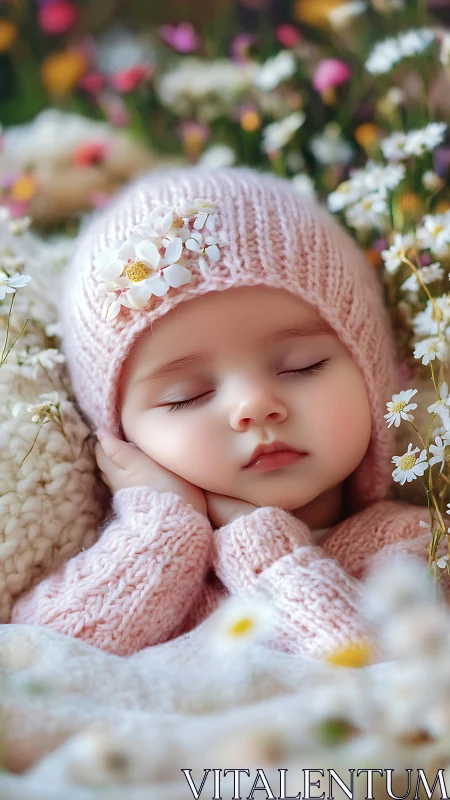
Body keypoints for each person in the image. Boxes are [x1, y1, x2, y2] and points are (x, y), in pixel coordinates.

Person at [9, 167, 442, 659]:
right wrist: (161, 533)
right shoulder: (140, 558)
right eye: (186, 396)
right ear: (120, 434)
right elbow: (33, 661)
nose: (253, 407)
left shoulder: (414, 545)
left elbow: (377, 673)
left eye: (303, 366)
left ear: (375, 372)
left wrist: (258, 546)